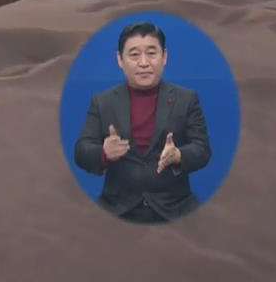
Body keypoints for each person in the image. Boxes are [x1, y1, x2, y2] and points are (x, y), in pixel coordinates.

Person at [73, 21, 212, 223]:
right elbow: (81, 151)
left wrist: (179, 155)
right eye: (134, 54)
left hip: (175, 208)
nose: (144, 63)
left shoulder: (186, 99)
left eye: (151, 53)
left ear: (164, 57)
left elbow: (202, 149)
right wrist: (103, 153)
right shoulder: (102, 102)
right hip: (116, 209)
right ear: (120, 60)